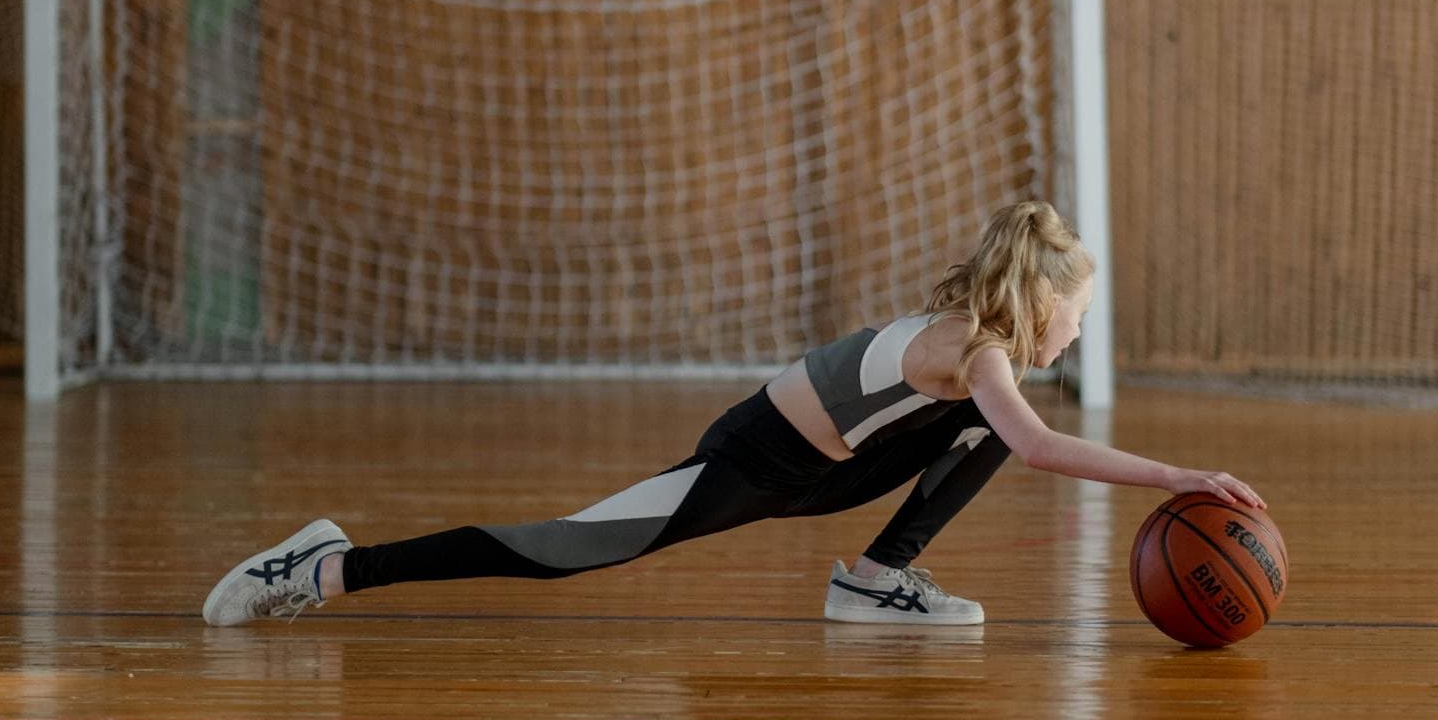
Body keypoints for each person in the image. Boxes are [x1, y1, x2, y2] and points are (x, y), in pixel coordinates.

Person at [202, 200, 1266, 628]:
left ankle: (875, 578)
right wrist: (1178, 475)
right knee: (558, 549)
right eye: (1073, 315)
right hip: (751, 460)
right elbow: (1038, 446)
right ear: (1036, 304)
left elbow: (1006, 429)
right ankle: (324, 565)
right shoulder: (975, 348)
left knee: (978, 427)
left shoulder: (977, 351)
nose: (1075, 332)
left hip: (824, 468)